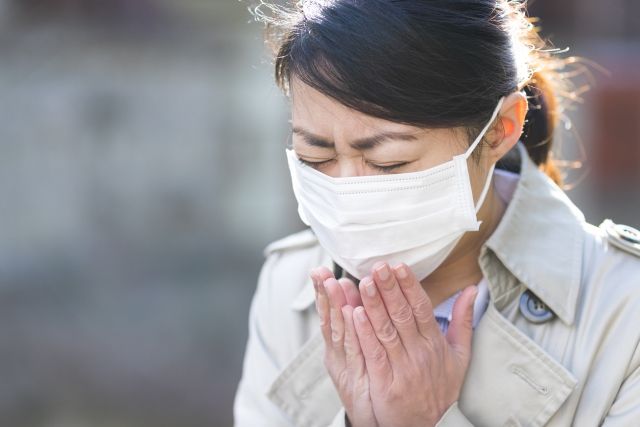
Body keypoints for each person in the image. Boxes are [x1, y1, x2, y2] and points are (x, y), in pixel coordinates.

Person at [234, 1, 640, 426]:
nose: (348, 187)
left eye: (389, 162)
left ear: (500, 128)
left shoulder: (621, 311)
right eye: (316, 155)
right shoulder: (290, 283)